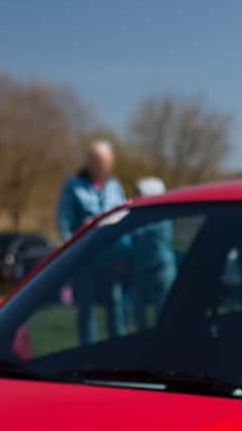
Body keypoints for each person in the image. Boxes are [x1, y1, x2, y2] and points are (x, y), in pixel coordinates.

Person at [55, 141, 128, 344]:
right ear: (90, 162)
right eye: (99, 161)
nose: (104, 166)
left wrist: (124, 253)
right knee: (86, 309)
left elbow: (124, 220)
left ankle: (119, 347)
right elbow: (63, 223)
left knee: (115, 304)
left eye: (107, 162)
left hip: (111, 255)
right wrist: (77, 243)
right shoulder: (73, 186)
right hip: (85, 258)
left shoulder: (115, 186)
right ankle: (87, 350)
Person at [126, 176, 175, 330]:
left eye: (139, 194)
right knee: (138, 312)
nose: (136, 197)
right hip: (143, 269)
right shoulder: (145, 216)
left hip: (160, 269)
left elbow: (137, 232)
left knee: (164, 314)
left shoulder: (160, 217)